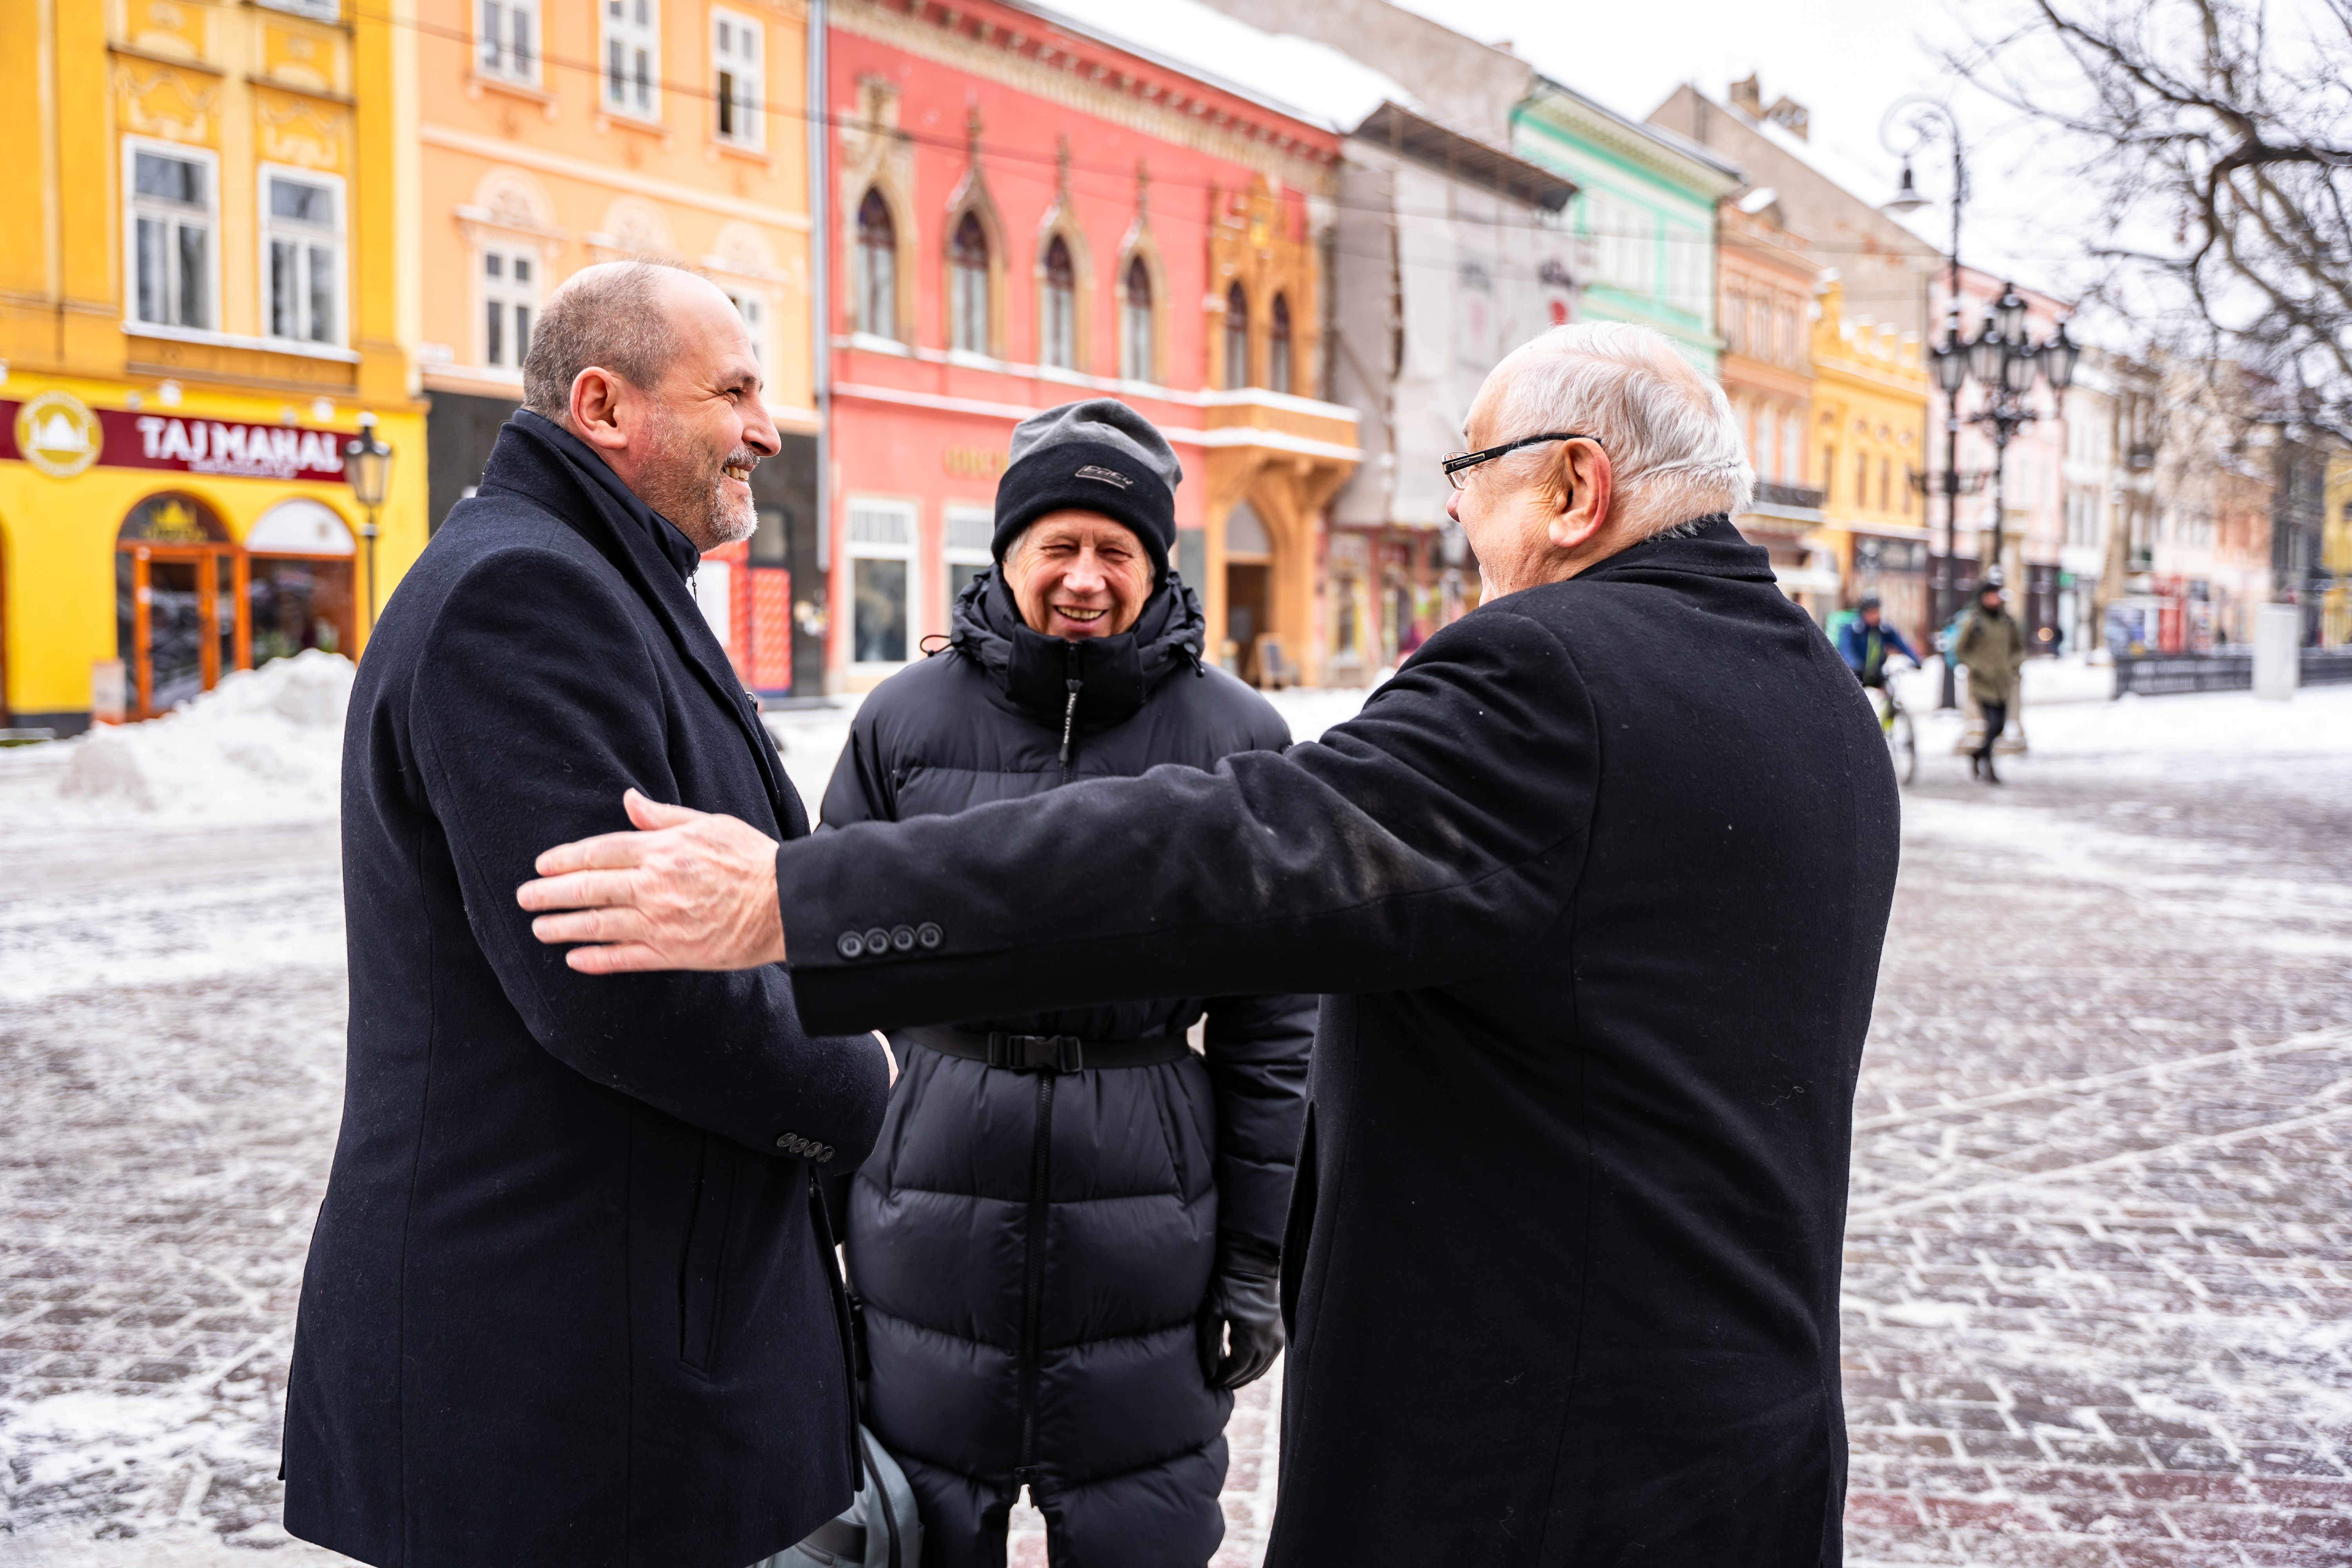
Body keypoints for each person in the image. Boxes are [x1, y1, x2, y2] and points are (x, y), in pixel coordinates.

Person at [519, 322, 1903, 1566]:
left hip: (1537, 1459)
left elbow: (1214, 858)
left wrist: (796, 899)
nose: (1460, 515)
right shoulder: (1815, 699)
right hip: (1741, 1437)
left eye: (1470, 473)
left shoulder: (1555, 675)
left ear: (1573, 487)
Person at [284, 260, 895, 1568]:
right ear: (606, 405)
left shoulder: (597, 576)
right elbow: (624, 982)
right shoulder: (530, 596)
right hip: (559, 1361)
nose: (766, 429)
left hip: (608, 1333)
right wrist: (863, 1077)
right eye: (733, 391)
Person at [821, 399, 1312, 1568]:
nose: (1084, 578)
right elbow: (822, 984)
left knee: (1142, 1537)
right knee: (923, 1533)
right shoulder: (902, 722)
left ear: (1156, 564)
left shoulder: (1238, 736)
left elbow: (1272, 1028)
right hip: (927, 1203)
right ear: (1008, 554)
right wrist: (817, 1228)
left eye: (1116, 550)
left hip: (1150, 1211)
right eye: (1059, 546)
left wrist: (1253, 1259)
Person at [1954, 579, 2026, 784]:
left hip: (2003, 683)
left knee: (2001, 726)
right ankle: (1990, 768)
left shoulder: (2008, 622)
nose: (1994, 600)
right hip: (1983, 683)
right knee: (1992, 724)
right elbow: (1961, 650)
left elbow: (2018, 648)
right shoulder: (1974, 621)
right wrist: (1976, 666)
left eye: (1997, 595)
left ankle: (1978, 754)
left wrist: (2014, 664)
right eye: (1990, 595)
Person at [1836, 593, 1918, 689]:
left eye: (1876, 612)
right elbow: (1846, 649)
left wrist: (1916, 660)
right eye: (1870, 613)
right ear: (1863, 612)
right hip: (1857, 676)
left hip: (1878, 675)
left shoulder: (1884, 629)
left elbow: (1902, 644)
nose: (1874, 616)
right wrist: (1855, 665)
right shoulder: (1853, 629)